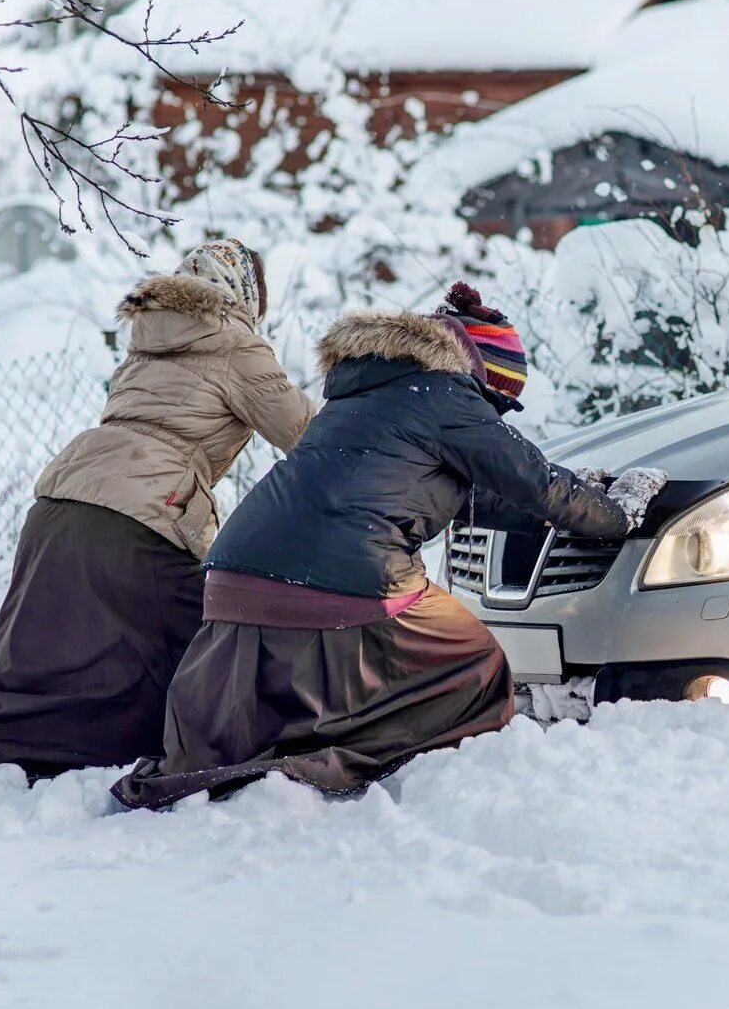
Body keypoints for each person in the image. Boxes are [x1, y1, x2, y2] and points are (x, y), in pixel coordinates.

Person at [111, 284, 662, 810]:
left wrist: (582, 490)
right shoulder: (448, 396)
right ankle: (380, 755)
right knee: (473, 656)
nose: (495, 417)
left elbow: (467, 494)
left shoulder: (370, 394)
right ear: (483, 376)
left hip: (235, 574)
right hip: (344, 577)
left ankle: (318, 733)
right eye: (499, 404)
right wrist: (619, 513)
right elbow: (536, 484)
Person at [0, 239, 313, 794]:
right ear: (246, 295)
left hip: (60, 501)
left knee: (35, 649)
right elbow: (310, 438)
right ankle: (214, 764)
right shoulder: (237, 345)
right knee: (207, 645)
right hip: (140, 513)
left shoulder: (148, 341)